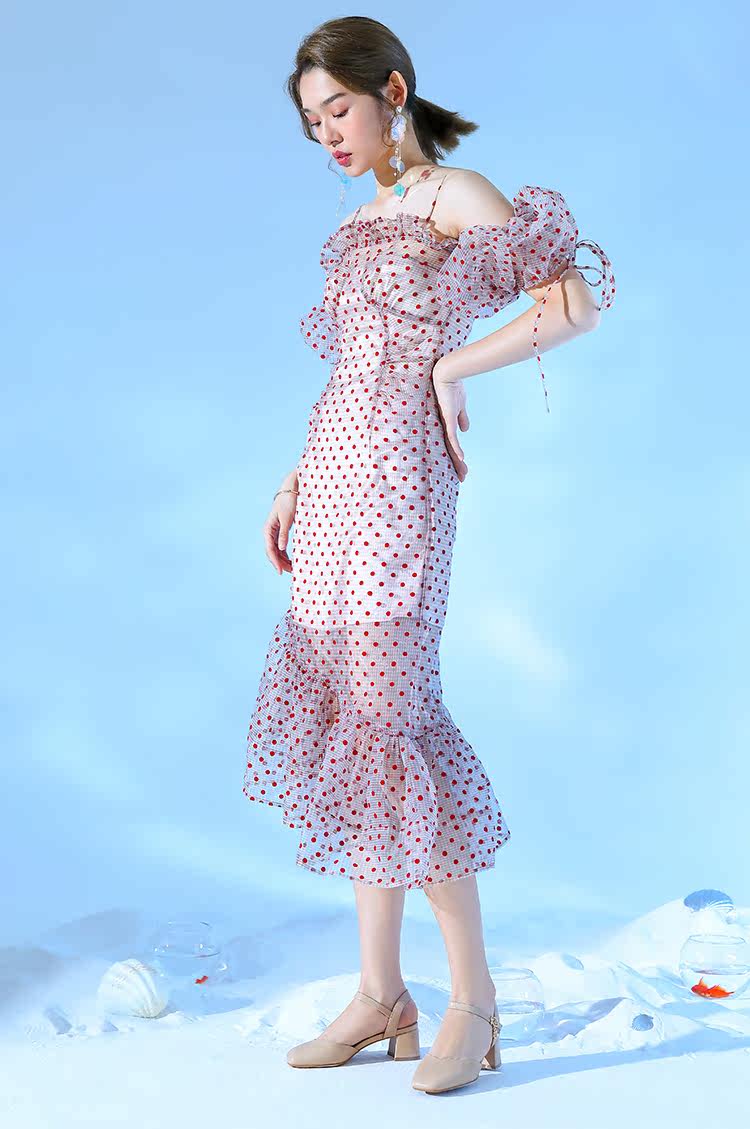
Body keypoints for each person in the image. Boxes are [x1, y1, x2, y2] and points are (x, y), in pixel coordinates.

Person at [243, 16, 615, 1095]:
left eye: (339, 110)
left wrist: (450, 367)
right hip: (335, 476)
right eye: (312, 122)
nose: (328, 135)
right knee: (354, 720)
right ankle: (379, 994)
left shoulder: (455, 193)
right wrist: (294, 478)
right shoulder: (363, 219)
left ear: (393, 93)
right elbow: (353, 368)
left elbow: (571, 306)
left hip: (403, 480)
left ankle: (474, 1000)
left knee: (394, 718)